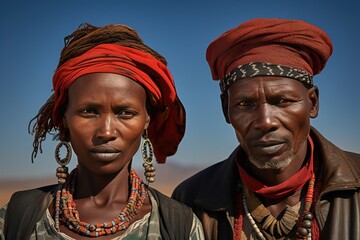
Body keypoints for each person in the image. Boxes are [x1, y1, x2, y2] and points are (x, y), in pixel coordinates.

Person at [0, 23, 204, 240]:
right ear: (64, 119)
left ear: (146, 121)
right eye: (88, 111)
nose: (106, 132)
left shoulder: (179, 226)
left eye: (125, 113)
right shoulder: (15, 220)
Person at [172, 18, 360, 240]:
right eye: (245, 104)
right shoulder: (192, 200)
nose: (265, 121)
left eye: (282, 101)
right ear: (226, 110)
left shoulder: (355, 187)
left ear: (313, 103)